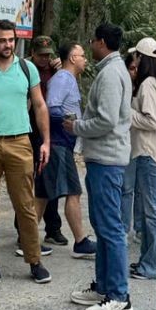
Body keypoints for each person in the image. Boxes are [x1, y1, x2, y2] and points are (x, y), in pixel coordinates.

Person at [0, 19, 52, 285]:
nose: (7, 45)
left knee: (25, 205)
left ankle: (35, 260)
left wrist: (46, 141)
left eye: (11, 40)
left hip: (20, 142)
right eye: (2, 40)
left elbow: (39, 106)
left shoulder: (27, 69)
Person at [67, 23, 134, 310]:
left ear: (102, 43)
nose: (90, 45)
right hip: (103, 160)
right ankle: (104, 287)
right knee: (104, 226)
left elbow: (106, 120)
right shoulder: (113, 69)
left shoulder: (109, 74)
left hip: (107, 161)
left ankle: (119, 296)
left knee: (111, 229)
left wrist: (76, 127)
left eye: (92, 41)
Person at [37, 42, 96, 258]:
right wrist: (71, 121)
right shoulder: (63, 79)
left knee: (42, 193)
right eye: (81, 55)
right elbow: (51, 107)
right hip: (59, 143)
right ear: (72, 58)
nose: (85, 59)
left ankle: (27, 240)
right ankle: (80, 241)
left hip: (58, 144)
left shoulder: (67, 78)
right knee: (73, 191)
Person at [14, 35, 66, 248]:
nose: (45, 59)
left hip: (48, 129)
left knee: (49, 178)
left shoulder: (54, 71)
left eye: (48, 55)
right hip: (28, 129)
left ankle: (52, 228)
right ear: (33, 53)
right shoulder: (23, 70)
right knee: (28, 182)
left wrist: (61, 70)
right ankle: (24, 231)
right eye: (41, 55)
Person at [126, 37, 156, 281]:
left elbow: (151, 121)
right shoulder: (153, 83)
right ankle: (147, 261)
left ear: (143, 59)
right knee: (148, 210)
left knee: (153, 211)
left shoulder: (148, 86)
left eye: (137, 56)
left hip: (148, 154)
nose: (134, 60)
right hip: (149, 153)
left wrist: (127, 113)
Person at [120, 52, 143, 244]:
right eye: (132, 68)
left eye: (137, 68)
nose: (134, 72)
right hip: (126, 144)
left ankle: (140, 228)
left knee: (141, 189)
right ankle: (124, 229)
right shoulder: (121, 86)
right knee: (127, 188)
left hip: (142, 144)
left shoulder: (146, 87)